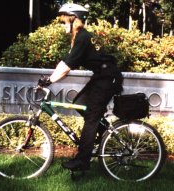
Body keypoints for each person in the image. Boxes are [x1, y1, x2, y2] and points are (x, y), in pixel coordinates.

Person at [39, 3, 123, 171]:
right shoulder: (80, 38)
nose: (63, 24)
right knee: (79, 102)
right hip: (102, 76)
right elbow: (65, 62)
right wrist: (50, 77)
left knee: (91, 115)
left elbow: (67, 67)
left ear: (74, 19)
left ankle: (82, 160)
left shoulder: (83, 38)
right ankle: (103, 133)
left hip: (108, 77)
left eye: (64, 21)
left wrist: (50, 81)